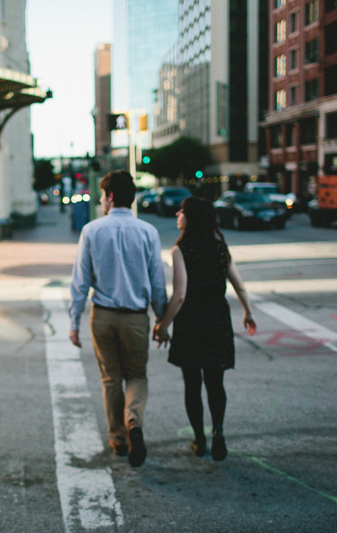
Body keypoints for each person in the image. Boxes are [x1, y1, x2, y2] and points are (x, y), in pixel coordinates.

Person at [69, 169, 168, 467]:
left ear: (110, 197)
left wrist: (74, 321)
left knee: (111, 379)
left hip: (104, 317)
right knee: (136, 375)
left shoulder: (92, 230)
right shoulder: (148, 232)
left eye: (102, 196)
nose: (100, 202)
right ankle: (133, 423)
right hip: (137, 318)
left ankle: (118, 440)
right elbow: (158, 283)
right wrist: (161, 321)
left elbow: (80, 282)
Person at [152, 196, 256, 461]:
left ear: (191, 217)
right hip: (218, 318)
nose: (177, 213)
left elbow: (180, 296)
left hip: (191, 321)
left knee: (192, 383)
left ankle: (199, 439)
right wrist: (248, 312)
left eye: (182, 211)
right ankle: (218, 431)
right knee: (215, 381)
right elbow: (239, 284)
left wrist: (163, 326)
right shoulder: (220, 245)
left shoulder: (180, 250)